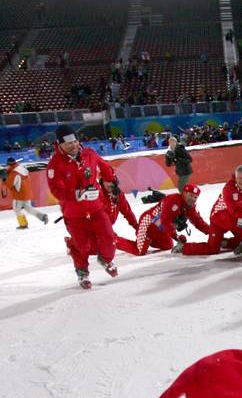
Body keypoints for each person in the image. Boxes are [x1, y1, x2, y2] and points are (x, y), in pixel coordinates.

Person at [46, 124, 118, 289]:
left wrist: (111, 180)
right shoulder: (54, 164)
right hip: (74, 214)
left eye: (75, 141)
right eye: (68, 143)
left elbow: (105, 166)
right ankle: (82, 272)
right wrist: (78, 194)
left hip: (96, 208)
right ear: (59, 144)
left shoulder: (89, 153)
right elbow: (56, 190)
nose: (73, 145)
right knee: (82, 246)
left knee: (109, 236)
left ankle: (106, 259)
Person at [180, 166, 242, 257]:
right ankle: (183, 247)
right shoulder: (228, 189)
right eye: (239, 178)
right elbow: (236, 211)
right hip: (219, 219)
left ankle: (225, 243)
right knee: (212, 249)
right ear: (235, 178)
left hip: (237, 220)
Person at [131, 184, 210, 256]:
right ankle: (118, 241)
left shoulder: (190, 207)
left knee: (167, 246)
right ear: (184, 193)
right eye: (191, 195)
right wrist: (176, 236)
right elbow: (166, 221)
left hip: (160, 228)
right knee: (139, 251)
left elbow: (198, 222)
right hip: (148, 223)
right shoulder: (174, 201)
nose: (193, 199)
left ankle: (147, 239)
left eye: (195, 197)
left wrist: (212, 231)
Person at [4, 157, 48, 229]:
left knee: (16, 209)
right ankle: (42, 216)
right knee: (28, 208)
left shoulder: (14, 173)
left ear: (9, 164)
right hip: (27, 192)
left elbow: (10, 185)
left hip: (19, 194)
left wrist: (4, 179)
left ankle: (23, 224)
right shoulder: (21, 168)